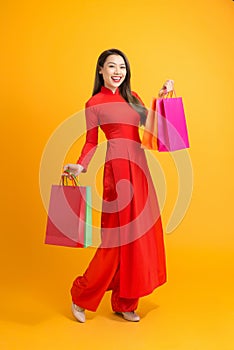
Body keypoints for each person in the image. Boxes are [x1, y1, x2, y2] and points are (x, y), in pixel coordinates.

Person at [63, 48, 173, 323]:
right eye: (111, 66)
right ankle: (80, 295)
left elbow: (152, 125)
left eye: (122, 67)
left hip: (140, 172)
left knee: (138, 240)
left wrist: (162, 98)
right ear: (100, 70)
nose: (117, 72)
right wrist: (81, 165)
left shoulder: (132, 97)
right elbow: (91, 141)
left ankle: (125, 302)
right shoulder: (94, 103)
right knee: (114, 242)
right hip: (117, 174)